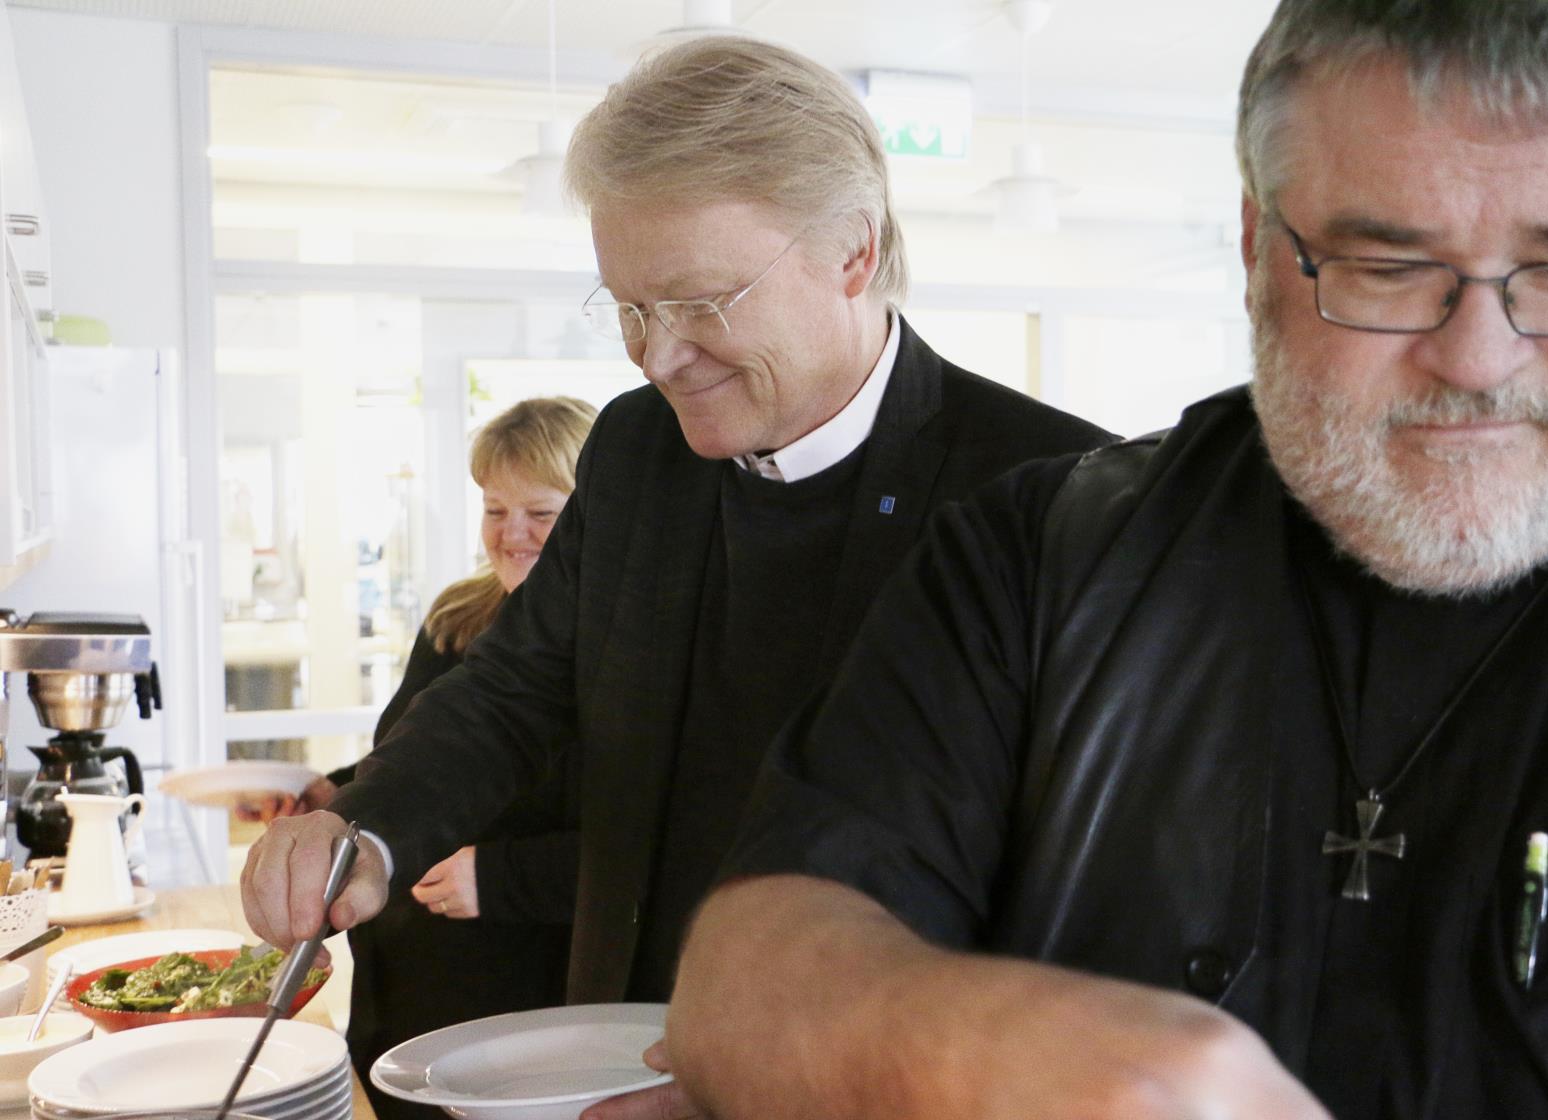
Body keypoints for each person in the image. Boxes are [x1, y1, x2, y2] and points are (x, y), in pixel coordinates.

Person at [663, 2, 1548, 1118]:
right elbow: (744, 982)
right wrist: (963, 1048)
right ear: (1255, 247)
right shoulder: (1038, 557)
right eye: (1386, 267)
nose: (1480, 361)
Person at [237, 32, 1111, 1117]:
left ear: (852, 251)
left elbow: (1079, 885)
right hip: (614, 1054)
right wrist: (367, 831)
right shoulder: (639, 448)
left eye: (702, 301)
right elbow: (516, 688)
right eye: (631, 307)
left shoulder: (1053, 486)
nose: (657, 355)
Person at [279, 396, 596, 1120]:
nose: (512, 535)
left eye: (540, 514)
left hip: (521, 1006)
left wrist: (504, 876)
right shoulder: (458, 617)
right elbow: (419, 757)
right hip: (403, 981)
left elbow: (647, 847)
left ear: (589, 520)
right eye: (494, 509)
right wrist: (335, 796)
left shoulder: (623, 657)